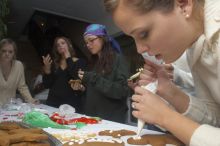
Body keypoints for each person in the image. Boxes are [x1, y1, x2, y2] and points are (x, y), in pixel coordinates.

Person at [103, 0, 220, 145]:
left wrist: (166, 117)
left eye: (144, 33)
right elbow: (216, 119)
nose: (139, 50)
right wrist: (170, 92)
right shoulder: (194, 48)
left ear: (183, 4)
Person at [78, 24, 130, 123]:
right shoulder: (93, 62)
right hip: (93, 119)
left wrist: (93, 78)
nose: (88, 45)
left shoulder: (118, 59)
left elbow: (122, 91)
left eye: (91, 40)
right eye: (86, 43)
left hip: (111, 121)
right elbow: (96, 90)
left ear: (103, 39)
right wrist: (83, 88)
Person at [42, 36, 86, 113]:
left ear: (70, 45)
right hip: (53, 102)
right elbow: (47, 85)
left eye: (63, 43)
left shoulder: (80, 62)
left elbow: (75, 77)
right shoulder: (54, 64)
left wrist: (68, 58)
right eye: (57, 45)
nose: (60, 46)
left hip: (71, 105)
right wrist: (47, 71)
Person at [0, 38, 38, 106]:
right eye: (4, 51)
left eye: (10, 51)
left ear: (14, 53)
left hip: (10, 108)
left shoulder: (19, 65)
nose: (7, 54)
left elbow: (22, 87)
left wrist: (31, 100)